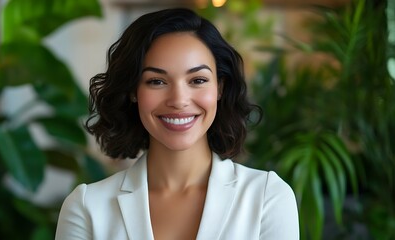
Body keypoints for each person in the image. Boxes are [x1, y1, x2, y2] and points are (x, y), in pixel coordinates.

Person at [55, 8, 299, 240]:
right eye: (157, 81)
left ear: (220, 88)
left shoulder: (268, 198)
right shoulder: (88, 207)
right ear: (132, 91)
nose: (179, 100)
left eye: (198, 80)